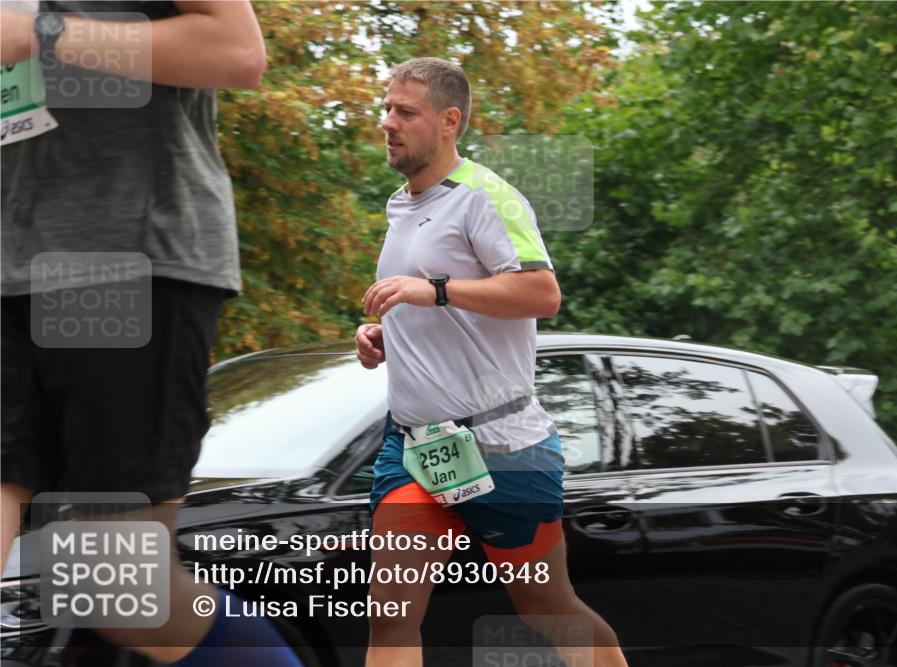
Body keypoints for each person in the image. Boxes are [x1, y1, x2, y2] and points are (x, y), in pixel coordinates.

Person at [1, 2, 302, 665]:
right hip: (7, 267)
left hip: (126, 258)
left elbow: (235, 52)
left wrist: (37, 36)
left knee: (113, 593)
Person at [355, 57, 628, 667]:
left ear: (449, 121)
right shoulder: (402, 205)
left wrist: (437, 289)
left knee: (546, 609)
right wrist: (381, 335)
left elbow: (542, 294)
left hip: (503, 447)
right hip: (416, 449)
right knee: (391, 620)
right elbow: (425, 306)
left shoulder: (488, 197)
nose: (387, 123)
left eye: (405, 112)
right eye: (386, 108)